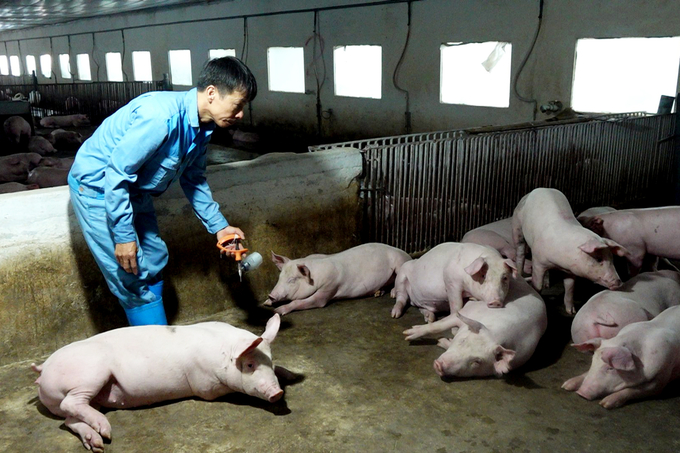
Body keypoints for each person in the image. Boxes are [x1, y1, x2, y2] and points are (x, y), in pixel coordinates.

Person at [68, 56, 256, 326]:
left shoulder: (204, 128)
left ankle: (153, 332)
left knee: (153, 259)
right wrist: (123, 236)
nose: (240, 115)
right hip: (99, 187)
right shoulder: (160, 117)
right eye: (238, 105)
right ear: (212, 93)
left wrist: (220, 227)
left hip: (134, 188)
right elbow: (117, 173)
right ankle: (155, 356)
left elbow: (194, 178)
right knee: (130, 275)